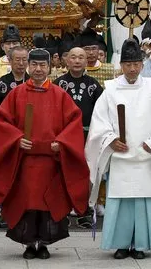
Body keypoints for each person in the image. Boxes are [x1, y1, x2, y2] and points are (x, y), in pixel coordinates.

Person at [0, 48, 89, 260]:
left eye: (43, 65)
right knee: (27, 202)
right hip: (25, 160)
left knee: (47, 202)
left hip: (50, 160)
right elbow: (2, 120)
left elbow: (74, 122)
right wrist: (15, 139)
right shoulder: (16, 94)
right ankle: (28, 243)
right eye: (34, 65)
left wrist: (62, 142)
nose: (38, 69)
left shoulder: (60, 95)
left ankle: (44, 243)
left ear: (49, 67)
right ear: (28, 66)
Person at [86, 39, 151, 259]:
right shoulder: (110, 90)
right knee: (121, 201)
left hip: (144, 155)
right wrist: (110, 139)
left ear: (142, 65)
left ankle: (140, 244)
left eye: (136, 64)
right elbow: (98, 122)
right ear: (121, 65)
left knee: (142, 201)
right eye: (127, 64)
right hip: (120, 157)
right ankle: (120, 244)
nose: (132, 68)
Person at [54, 46, 103, 227]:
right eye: (73, 57)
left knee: (84, 172)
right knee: (64, 171)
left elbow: (101, 112)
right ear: (67, 60)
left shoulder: (94, 85)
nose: (76, 61)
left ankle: (83, 211)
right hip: (65, 136)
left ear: (86, 61)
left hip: (87, 134)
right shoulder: (58, 84)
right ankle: (63, 211)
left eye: (80, 57)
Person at [0, 45, 30, 225]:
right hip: (6, 137)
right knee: (6, 171)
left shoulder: (33, 83)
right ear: (9, 61)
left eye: (24, 60)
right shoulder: (0, 85)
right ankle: (4, 206)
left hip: (29, 136)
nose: (20, 63)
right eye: (17, 60)